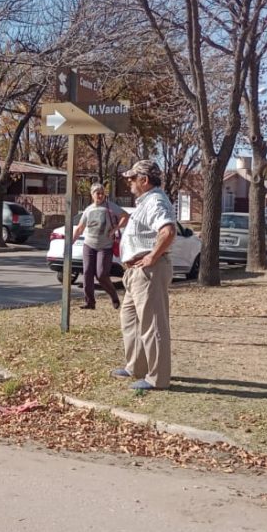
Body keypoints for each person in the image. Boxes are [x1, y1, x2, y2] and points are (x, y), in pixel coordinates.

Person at [110, 159, 176, 391]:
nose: (129, 182)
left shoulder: (155, 201)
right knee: (130, 318)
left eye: (132, 178)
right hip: (135, 273)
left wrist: (151, 258)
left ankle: (157, 379)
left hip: (149, 272)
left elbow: (168, 231)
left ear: (144, 180)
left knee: (152, 325)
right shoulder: (145, 202)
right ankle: (136, 367)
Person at [72, 181, 128, 309]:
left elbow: (125, 216)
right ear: (92, 194)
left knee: (102, 274)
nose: (100, 195)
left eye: (102, 193)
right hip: (89, 245)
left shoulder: (110, 207)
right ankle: (89, 302)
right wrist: (70, 243)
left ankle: (114, 296)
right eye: (98, 193)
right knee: (87, 273)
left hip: (105, 246)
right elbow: (80, 228)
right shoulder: (88, 210)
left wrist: (116, 228)